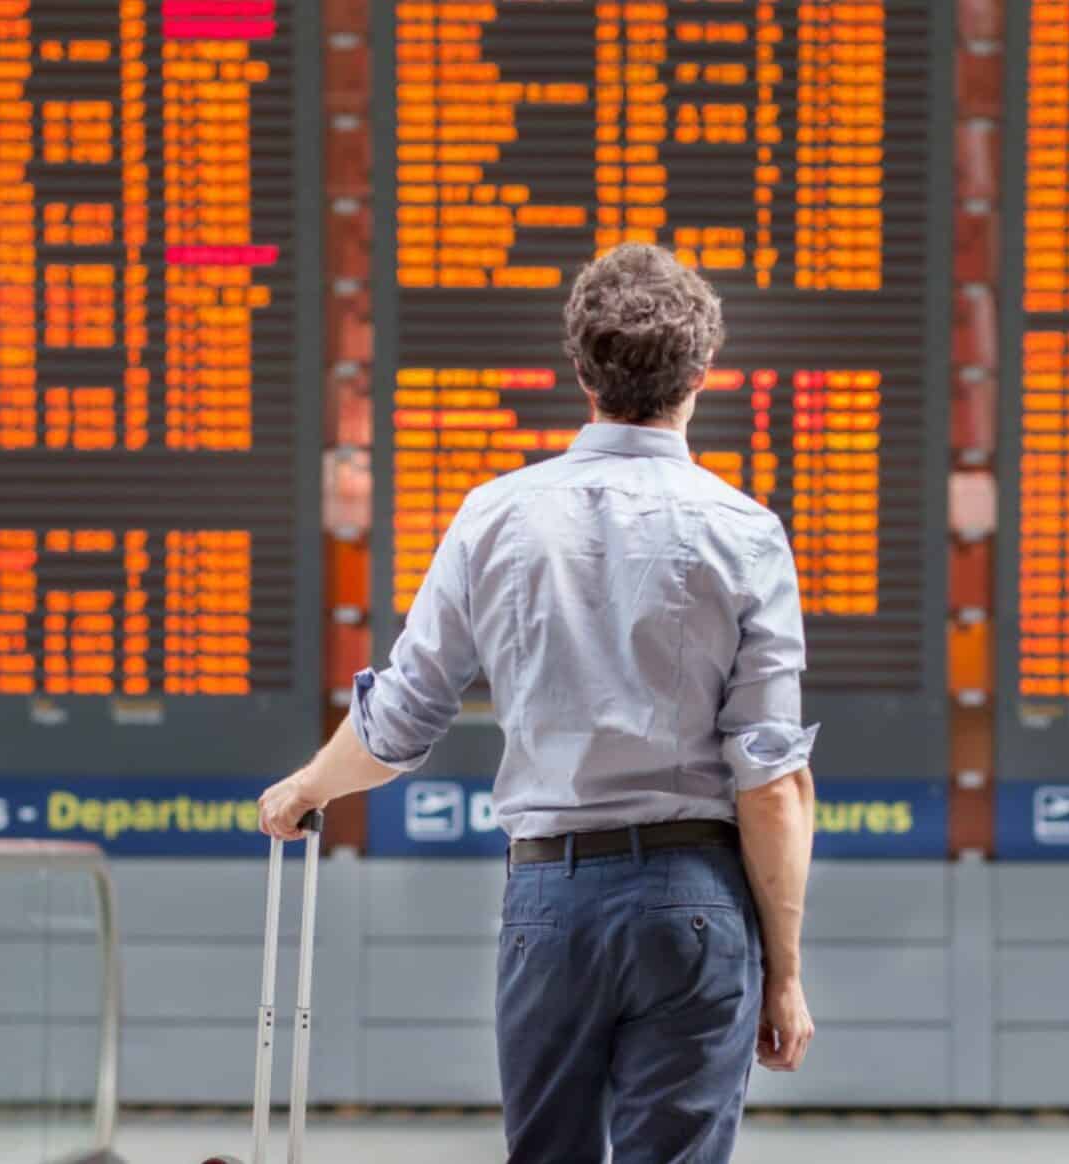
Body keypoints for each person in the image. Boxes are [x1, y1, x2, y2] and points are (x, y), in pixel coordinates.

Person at [257, 242, 818, 1163]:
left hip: (552, 901)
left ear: (580, 370)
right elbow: (771, 782)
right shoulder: (747, 533)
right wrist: (784, 973)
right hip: (698, 903)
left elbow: (401, 718)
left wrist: (308, 787)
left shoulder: (496, 516)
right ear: (704, 372)